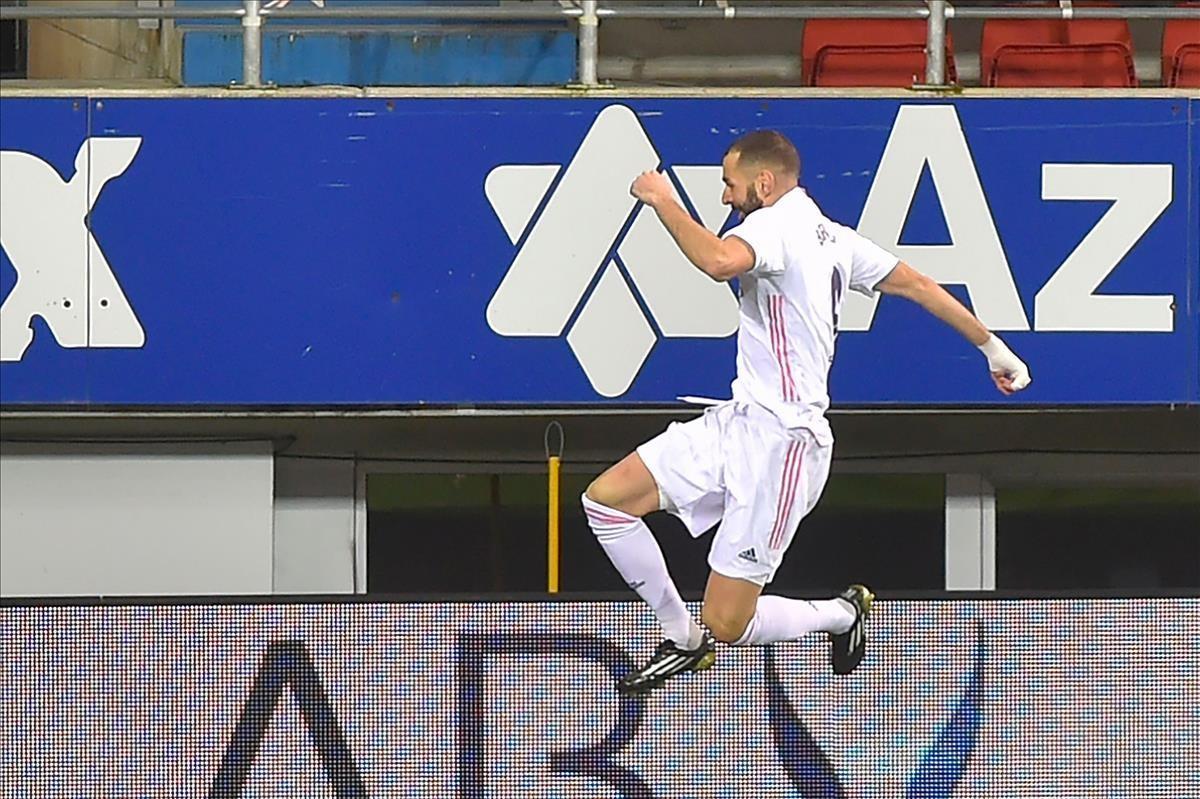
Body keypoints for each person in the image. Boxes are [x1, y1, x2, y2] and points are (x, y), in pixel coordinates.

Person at [581, 130, 1031, 696]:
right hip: (740, 421)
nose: (725, 196)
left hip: (784, 446)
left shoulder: (774, 228)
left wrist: (662, 199)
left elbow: (720, 261)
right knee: (606, 502)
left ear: (763, 183)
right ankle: (681, 636)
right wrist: (994, 347)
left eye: (729, 182)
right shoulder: (831, 236)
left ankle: (843, 613)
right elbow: (916, 284)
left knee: (728, 621)